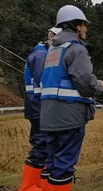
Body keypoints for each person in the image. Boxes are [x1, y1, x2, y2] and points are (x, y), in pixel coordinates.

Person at [39, 5, 103, 191]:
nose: (86, 29)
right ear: (77, 26)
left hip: (48, 114)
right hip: (68, 117)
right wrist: (98, 85)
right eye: (85, 25)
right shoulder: (76, 49)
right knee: (63, 167)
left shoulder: (53, 49)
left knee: (51, 162)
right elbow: (85, 84)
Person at [19, 27, 62, 191]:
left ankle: (41, 185)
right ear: (51, 37)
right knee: (41, 144)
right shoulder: (41, 55)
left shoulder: (40, 53)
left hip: (38, 105)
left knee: (46, 145)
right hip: (38, 105)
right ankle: (29, 186)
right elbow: (44, 80)